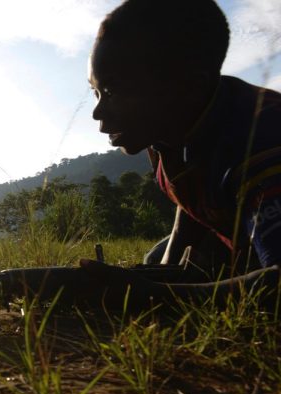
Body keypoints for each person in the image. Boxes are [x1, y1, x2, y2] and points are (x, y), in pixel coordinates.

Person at [81, 0, 281, 309]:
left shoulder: (262, 138)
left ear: (188, 87)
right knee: (156, 261)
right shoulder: (165, 132)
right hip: (237, 238)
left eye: (112, 91)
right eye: (95, 91)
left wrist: (156, 295)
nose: (97, 112)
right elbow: (191, 201)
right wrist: (165, 272)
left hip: (264, 244)